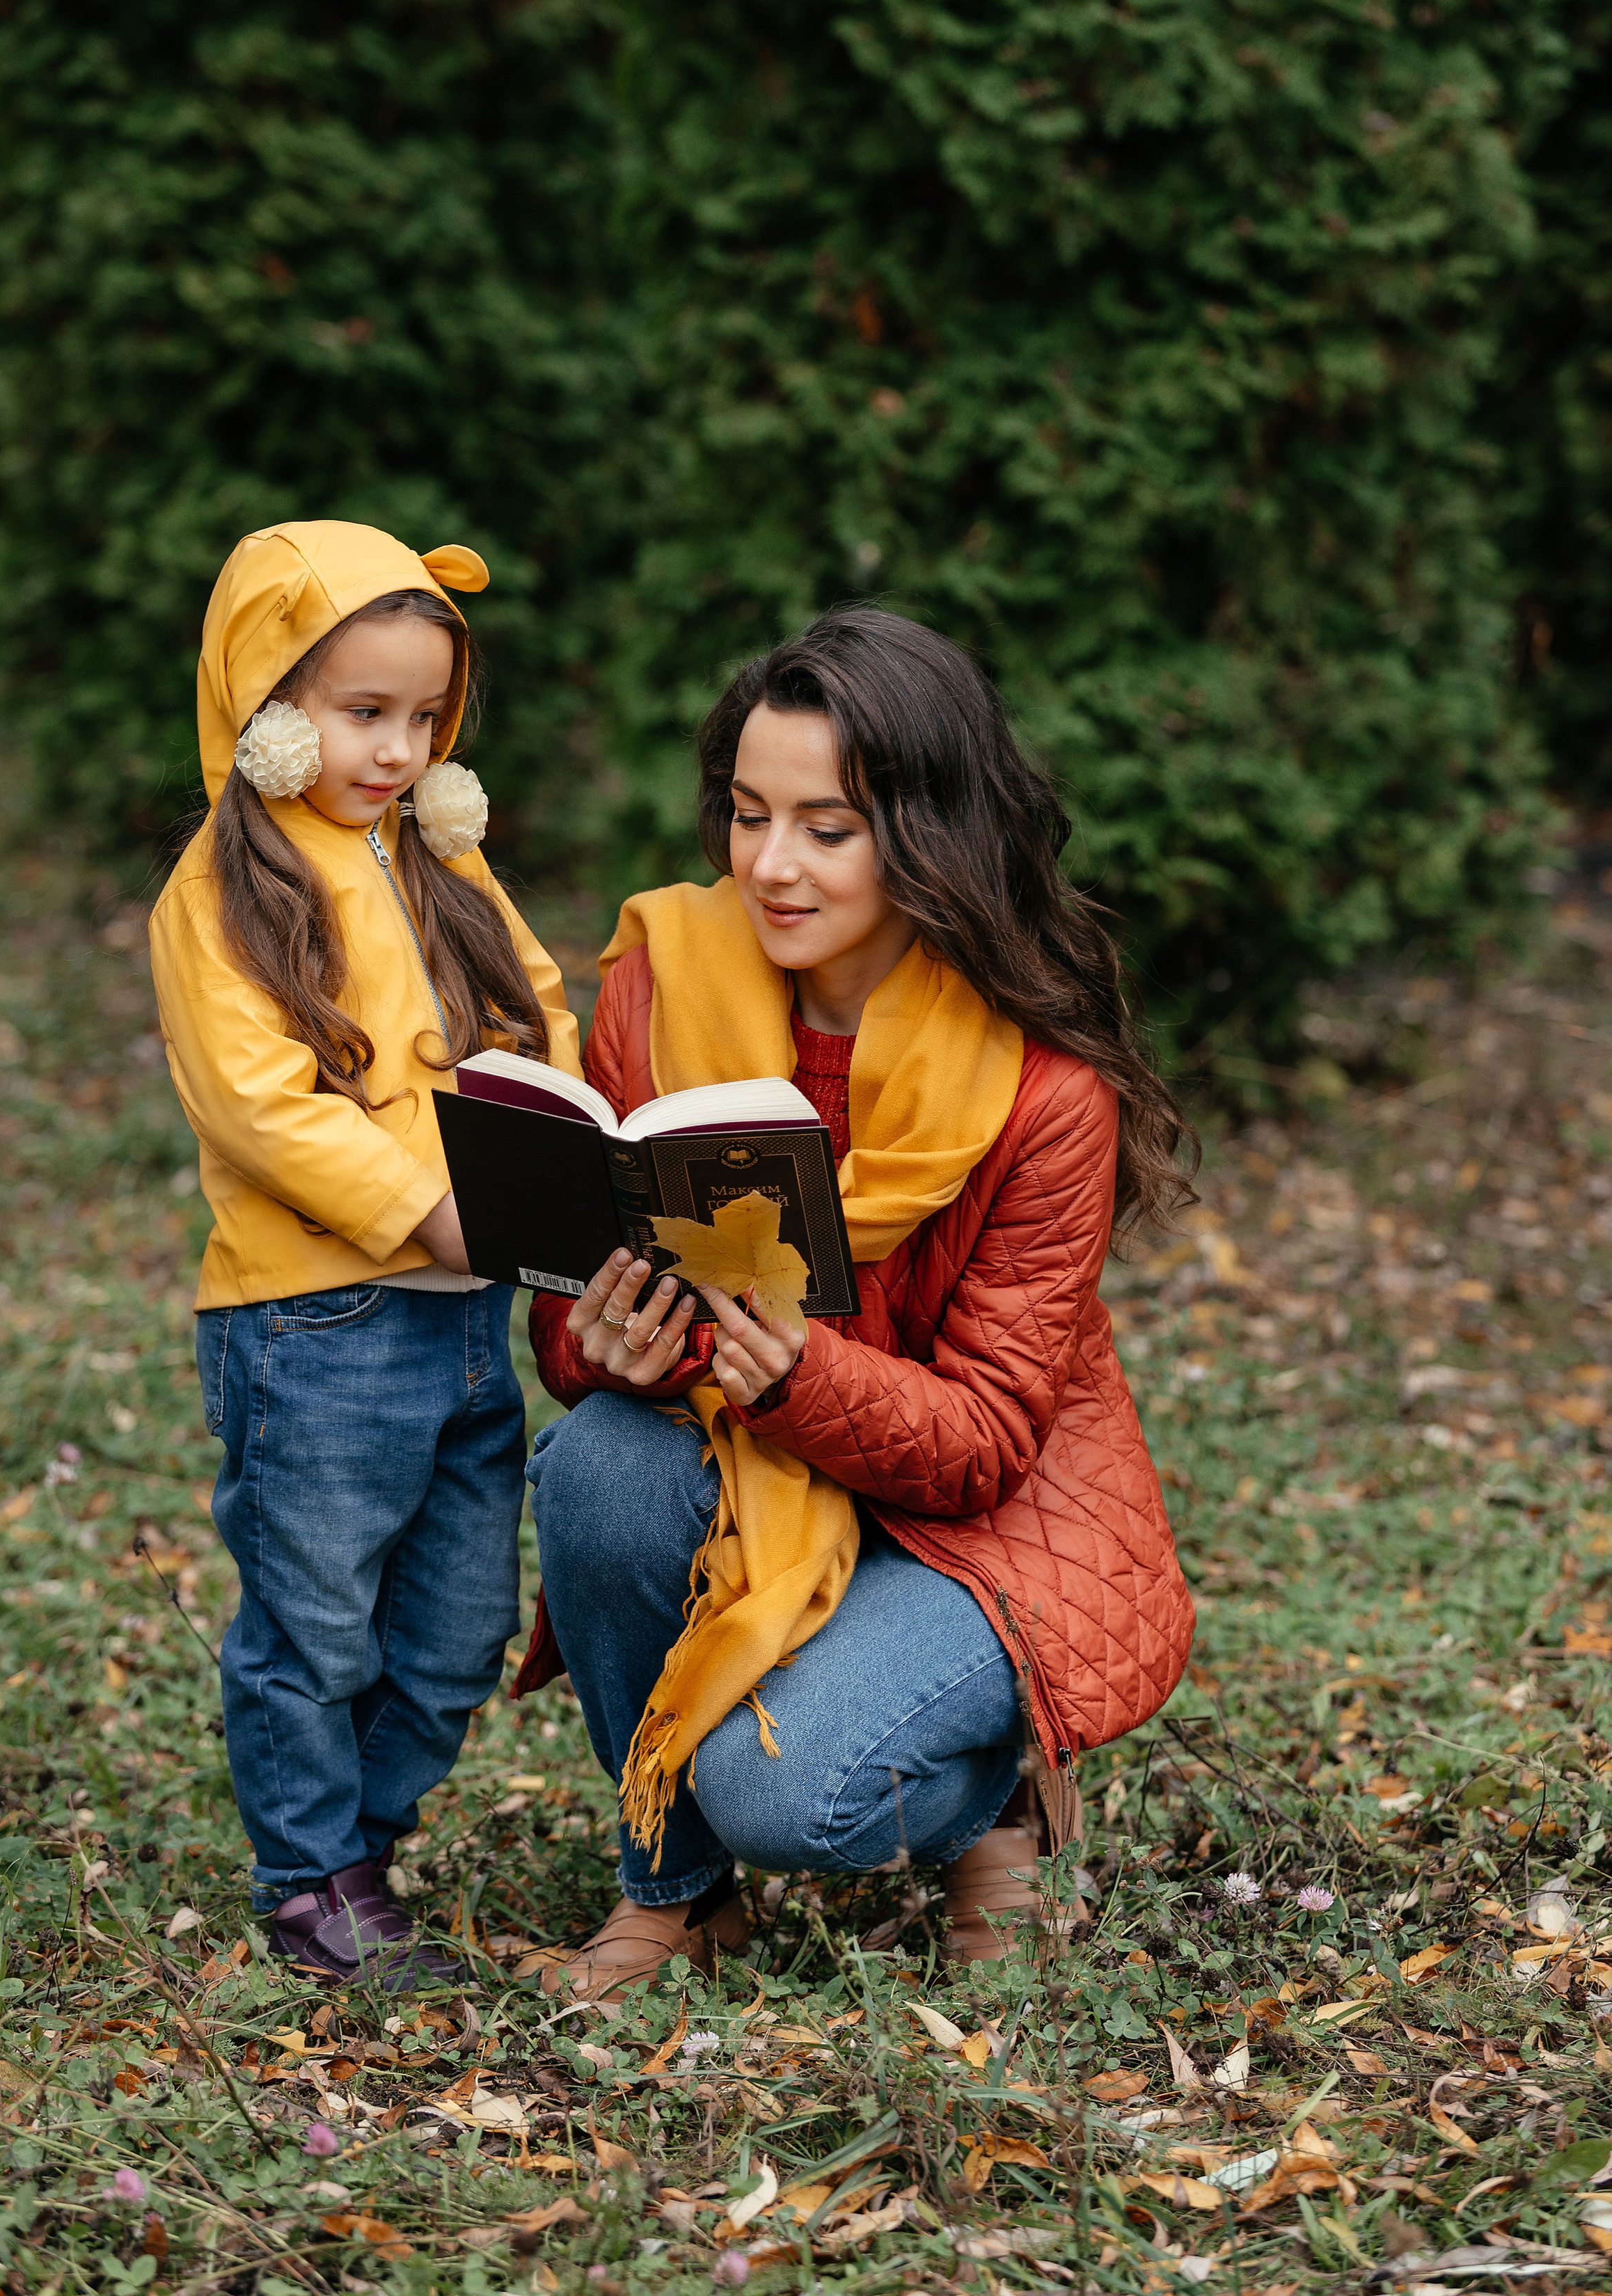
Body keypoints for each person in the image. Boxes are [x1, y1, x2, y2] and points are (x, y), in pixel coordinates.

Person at [516, 608, 1196, 1994]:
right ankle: (679, 1896)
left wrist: (795, 1375)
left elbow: (991, 1438)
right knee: (590, 1465)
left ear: (927, 829)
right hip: (754, 1460)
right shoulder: (657, 990)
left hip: (974, 1527)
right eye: (747, 814)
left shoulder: (1041, 1092)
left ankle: (994, 1798)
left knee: (787, 1795)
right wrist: (609, 1350)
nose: (768, 865)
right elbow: (581, 1309)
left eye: (826, 827)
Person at [149, 521, 578, 1988]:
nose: (394, 750)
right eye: (360, 712)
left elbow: (534, 1009)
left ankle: (364, 1838)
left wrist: (559, 1144)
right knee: (316, 1620)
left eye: (422, 719)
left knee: (458, 1633)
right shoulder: (220, 896)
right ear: (265, 713)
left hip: (463, 1326)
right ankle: (311, 1881)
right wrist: (432, 1209)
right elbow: (263, 1109)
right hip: (316, 1322)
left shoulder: (436, 861)